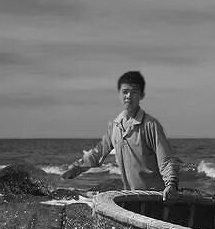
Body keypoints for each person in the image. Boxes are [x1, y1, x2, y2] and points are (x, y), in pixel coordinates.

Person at [61, 70, 180, 200]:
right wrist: (76, 168)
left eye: (133, 92)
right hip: (130, 197)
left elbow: (166, 160)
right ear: (119, 95)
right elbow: (97, 153)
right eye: (125, 92)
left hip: (154, 197)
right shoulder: (115, 126)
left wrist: (171, 184)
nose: (128, 96)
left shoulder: (150, 125)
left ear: (141, 95)